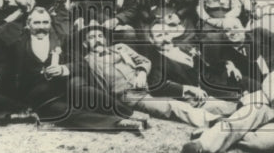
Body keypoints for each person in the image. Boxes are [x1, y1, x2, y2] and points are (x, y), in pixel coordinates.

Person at [76, 21, 233, 129]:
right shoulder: (88, 61)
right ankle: (212, 122)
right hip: (131, 96)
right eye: (91, 37)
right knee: (172, 106)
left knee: (197, 100)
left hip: (148, 84)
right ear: (85, 44)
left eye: (99, 36)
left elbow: (144, 61)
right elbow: (97, 87)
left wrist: (142, 73)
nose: (97, 40)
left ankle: (234, 109)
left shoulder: (120, 47)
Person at [5, 8, 141, 132]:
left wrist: (64, 68)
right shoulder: (17, 46)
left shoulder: (63, 41)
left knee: (81, 87)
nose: (41, 27)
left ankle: (128, 112)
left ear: (50, 23)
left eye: (45, 22)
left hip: (66, 86)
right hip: (44, 97)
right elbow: (12, 76)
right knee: (64, 113)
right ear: (28, 25)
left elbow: (80, 63)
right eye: (37, 23)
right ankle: (118, 122)